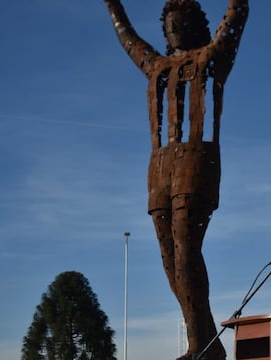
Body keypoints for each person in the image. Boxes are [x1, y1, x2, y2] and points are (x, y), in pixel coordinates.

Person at [103, 0, 249, 359]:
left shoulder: (212, 56)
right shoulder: (156, 66)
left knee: (186, 252)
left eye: (179, 20)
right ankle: (206, 340)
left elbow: (237, 14)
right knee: (170, 260)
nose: (172, 27)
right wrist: (113, 5)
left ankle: (201, 344)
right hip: (159, 167)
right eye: (167, 22)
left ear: (195, 24)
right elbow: (129, 39)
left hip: (196, 160)